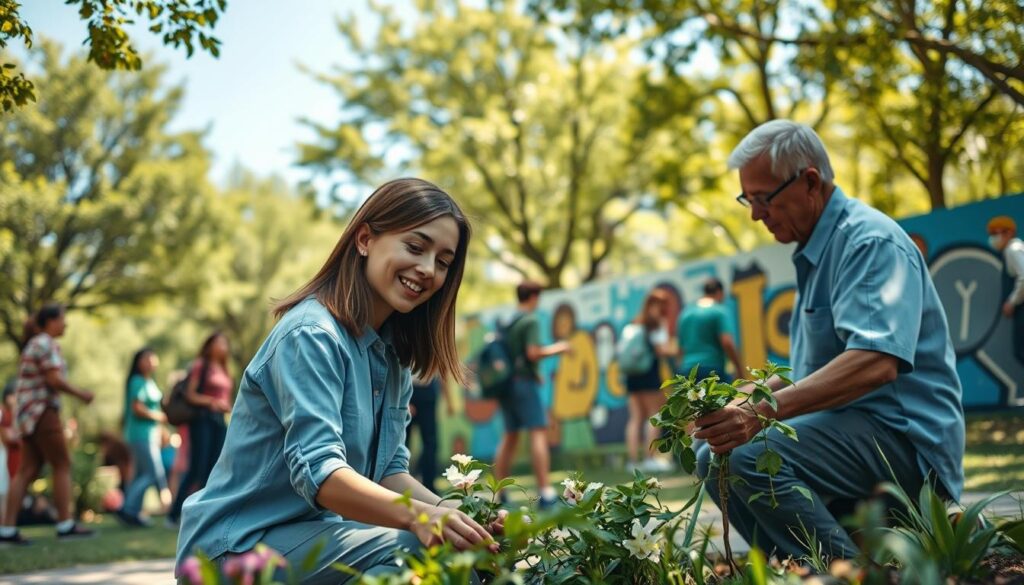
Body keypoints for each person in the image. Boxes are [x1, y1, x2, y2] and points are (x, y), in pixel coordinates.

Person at [176, 178, 500, 583]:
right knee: (419, 552)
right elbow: (321, 474)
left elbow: (389, 472)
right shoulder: (310, 335)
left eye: (443, 261)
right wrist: (424, 519)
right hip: (234, 550)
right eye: (415, 247)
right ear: (365, 239)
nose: (427, 269)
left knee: (461, 550)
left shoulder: (391, 354)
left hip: (309, 539)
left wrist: (464, 519)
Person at [693, 120, 964, 560]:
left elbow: (876, 362)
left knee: (747, 455)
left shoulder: (868, 242)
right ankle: (796, 569)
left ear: (810, 182)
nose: (755, 214)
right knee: (713, 454)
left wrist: (760, 414)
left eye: (762, 198)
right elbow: (814, 375)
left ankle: (845, 573)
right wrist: (740, 400)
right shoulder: (817, 249)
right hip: (850, 432)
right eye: (748, 199)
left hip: (905, 443)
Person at [0, 304, 95, 545]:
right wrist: (81, 394)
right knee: (62, 463)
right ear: (50, 321)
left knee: (26, 471)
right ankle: (65, 525)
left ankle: (7, 530)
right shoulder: (44, 343)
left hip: (27, 415)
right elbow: (54, 379)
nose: (66, 324)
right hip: (42, 412)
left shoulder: (34, 343)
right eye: (62, 319)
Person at [492, 281, 571, 508]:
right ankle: (545, 492)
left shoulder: (509, 320)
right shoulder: (531, 320)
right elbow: (533, 352)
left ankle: (500, 493)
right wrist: (560, 348)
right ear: (534, 297)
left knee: (510, 436)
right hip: (524, 384)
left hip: (506, 385)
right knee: (538, 432)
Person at [167, 332, 233, 525]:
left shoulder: (224, 369)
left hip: (219, 421)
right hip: (202, 419)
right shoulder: (200, 366)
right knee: (198, 467)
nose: (222, 345)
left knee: (215, 467)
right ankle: (174, 514)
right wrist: (212, 402)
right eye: (218, 342)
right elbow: (190, 394)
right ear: (209, 345)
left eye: (224, 342)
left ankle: (205, 512)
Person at [622, 289, 677, 473]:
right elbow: (662, 350)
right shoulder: (655, 324)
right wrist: (678, 351)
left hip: (631, 376)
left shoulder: (634, 323)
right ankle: (649, 458)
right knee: (654, 415)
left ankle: (632, 461)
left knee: (635, 418)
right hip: (649, 373)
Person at [118, 348, 171, 526]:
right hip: (140, 434)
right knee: (153, 473)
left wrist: (161, 429)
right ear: (138, 361)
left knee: (142, 473)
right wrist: (159, 417)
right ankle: (128, 509)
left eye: (152, 356)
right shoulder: (137, 381)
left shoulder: (150, 382)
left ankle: (132, 512)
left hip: (151, 435)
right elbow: (137, 408)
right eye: (146, 358)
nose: (151, 360)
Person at [677, 277, 743, 381]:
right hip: (712, 368)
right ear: (720, 293)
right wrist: (739, 368)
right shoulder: (719, 311)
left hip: (688, 370)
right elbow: (727, 342)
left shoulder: (686, 313)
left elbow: (680, 348)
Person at [407, 374, 453, 491]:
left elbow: (441, 370)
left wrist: (448, 400)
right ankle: (404, 482)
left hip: (426, 388)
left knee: (430, 444)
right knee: (404, 442)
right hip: (409, 388)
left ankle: (428, 484)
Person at [988, 216, 1024, 364]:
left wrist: (1011, 301)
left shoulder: (1012, 249)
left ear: (1009, 233)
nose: (994, 238)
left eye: (997, 233)